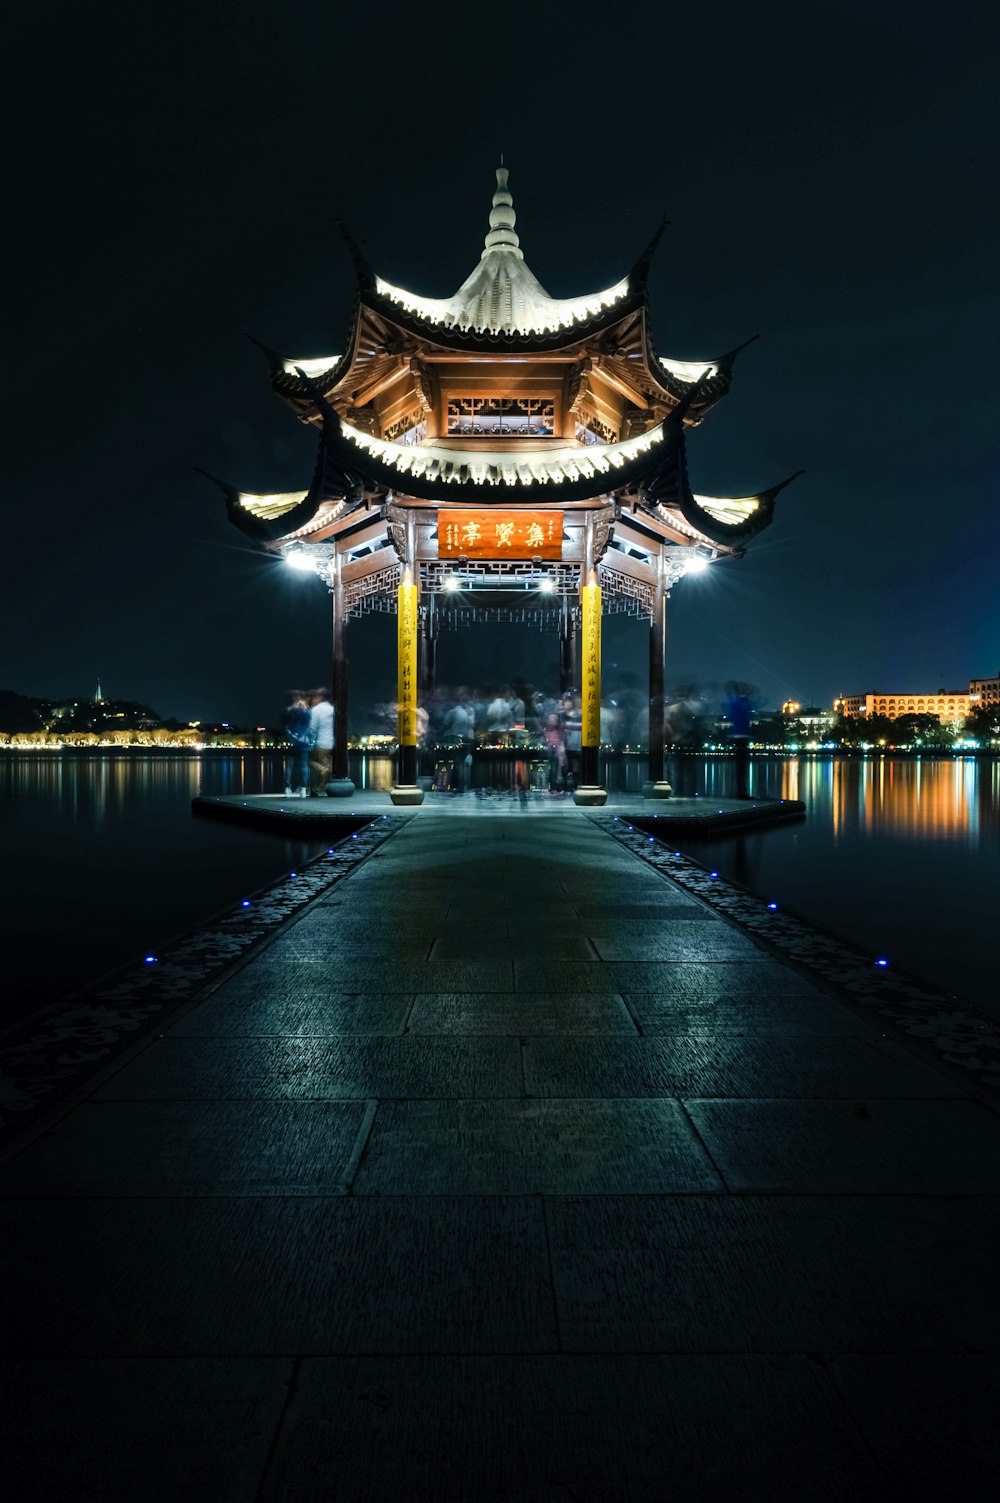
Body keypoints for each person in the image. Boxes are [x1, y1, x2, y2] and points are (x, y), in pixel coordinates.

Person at [725, 680, 754, 798]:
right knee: (741, 766)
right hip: (741, 736)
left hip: (738, 735)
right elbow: (745, 711)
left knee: (740, 766)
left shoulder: (734, 701)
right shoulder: (739, 702)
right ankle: (741, 791)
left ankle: (739, 790)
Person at [282, 690, 313, 798]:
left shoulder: (289, 712)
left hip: (292, 743)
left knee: (289, 767)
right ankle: (303, 789)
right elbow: (309, 725)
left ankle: (287, 788)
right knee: (304, 766)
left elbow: (284, 725)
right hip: (303, 743)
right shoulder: (307, 712)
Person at [309, 687, 334, 795]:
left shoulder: (316, 710)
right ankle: (322, 788)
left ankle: (315, 790)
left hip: (320, 743)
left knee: (311, 763)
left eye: (314, 697)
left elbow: (312, 728)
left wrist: (310, 742)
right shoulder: (332, 709)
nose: (312, 700)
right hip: (331, 743)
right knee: (326, 765)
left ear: (320, 697)